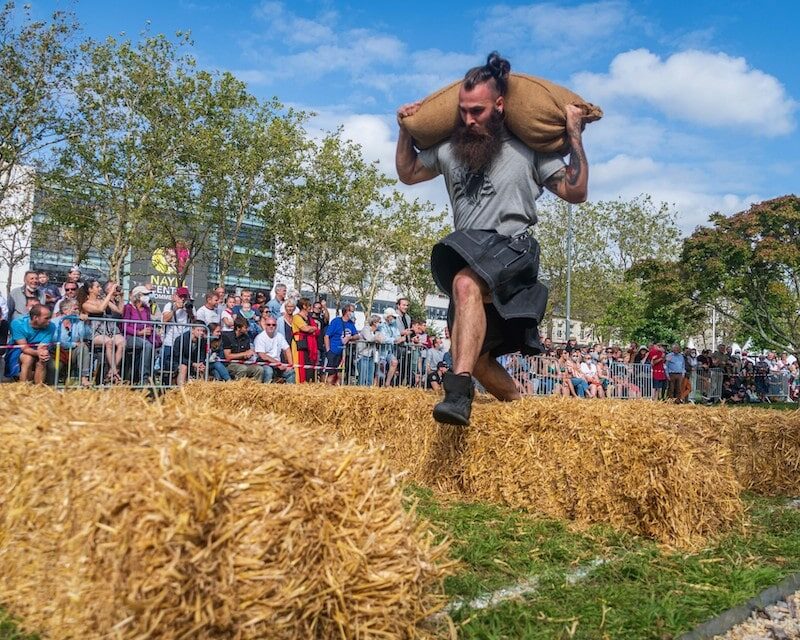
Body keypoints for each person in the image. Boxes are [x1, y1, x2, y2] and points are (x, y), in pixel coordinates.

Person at [396, 51, 593, 425]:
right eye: (464, 111)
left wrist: (574, 135)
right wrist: (405, 129)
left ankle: (456, 393)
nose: (469, 120)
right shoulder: (448, 150)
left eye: (478, 111)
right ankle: (525, 415)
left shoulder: (527, 151)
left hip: (512, 247)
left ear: (500, 106)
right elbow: (407, 172)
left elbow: (575, 191)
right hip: (467, 247)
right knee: (479, 358)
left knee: (466, 282)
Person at [78, 279, 126, 384]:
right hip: (95, 332)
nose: (100, 289)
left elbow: (119, 311)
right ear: (90, 290)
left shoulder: (103, 299)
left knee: (122, 342)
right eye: (97, 287)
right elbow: (100, 309)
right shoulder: (86, 304)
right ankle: (114, 372)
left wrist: (122, 297)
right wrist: (109, 294)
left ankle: (111, 372)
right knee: (109, 342)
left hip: (109, 330)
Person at [10, 304, 57, 384]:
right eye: (46, 318)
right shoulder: (17, 323)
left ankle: (38, 389)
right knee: (28, 358)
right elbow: (24, 348)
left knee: (43, 359)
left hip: (37, 349)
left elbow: (43, 347)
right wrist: (38, 353)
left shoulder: (51, 326)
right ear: (35, 318)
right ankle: (22, 388)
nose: (50, 321)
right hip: (17, 350)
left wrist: (42, 353)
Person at [122, 285, 156, 383]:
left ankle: (149, 376)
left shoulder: (146, 309)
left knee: (151, 345)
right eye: (144, 294)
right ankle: (144, 379)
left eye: (147, 294)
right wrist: (139, 332)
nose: (147, 296)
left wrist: (150, 330)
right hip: (130, 337)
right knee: (147, 345)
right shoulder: (128, 308)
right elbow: (124, 326)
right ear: (137, 296)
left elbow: (149, 323)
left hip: (144, 338)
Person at [254, 314, 295, 383]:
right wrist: (277, 364)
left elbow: (287, 349)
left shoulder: (279, 336)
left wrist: (290, 365)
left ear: (276, 326)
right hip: (265, 364)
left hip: (278, 364)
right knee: (269, 371)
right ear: (265, 325)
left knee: (291, 372)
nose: (271, 326)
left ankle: (291, 392)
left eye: (273, 325)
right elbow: (263, 356)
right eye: (268, 325)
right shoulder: (260, 337)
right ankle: (266, 390)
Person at [324, 303, 357, 385]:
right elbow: (327, 336)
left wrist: (350, 337)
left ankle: (338, 388)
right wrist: (328, 350)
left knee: (340, 374)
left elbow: (357, 335)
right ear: (346, 312)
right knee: (331, 375)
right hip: (333, 351)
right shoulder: (336, 321)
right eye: (352, 311)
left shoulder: (351, 324)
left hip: (344, 353)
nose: (353, 313)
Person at [290, 298, 319, 383]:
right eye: (309, 305)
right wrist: (313, 328)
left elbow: (316, 330)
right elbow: (305, 329)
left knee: (309, 368)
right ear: (304, 306)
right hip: (300, 344)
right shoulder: (296, 317)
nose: (310, 307)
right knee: (300, 366)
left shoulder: (309, 318)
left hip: (309, 345)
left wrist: (312, 329)